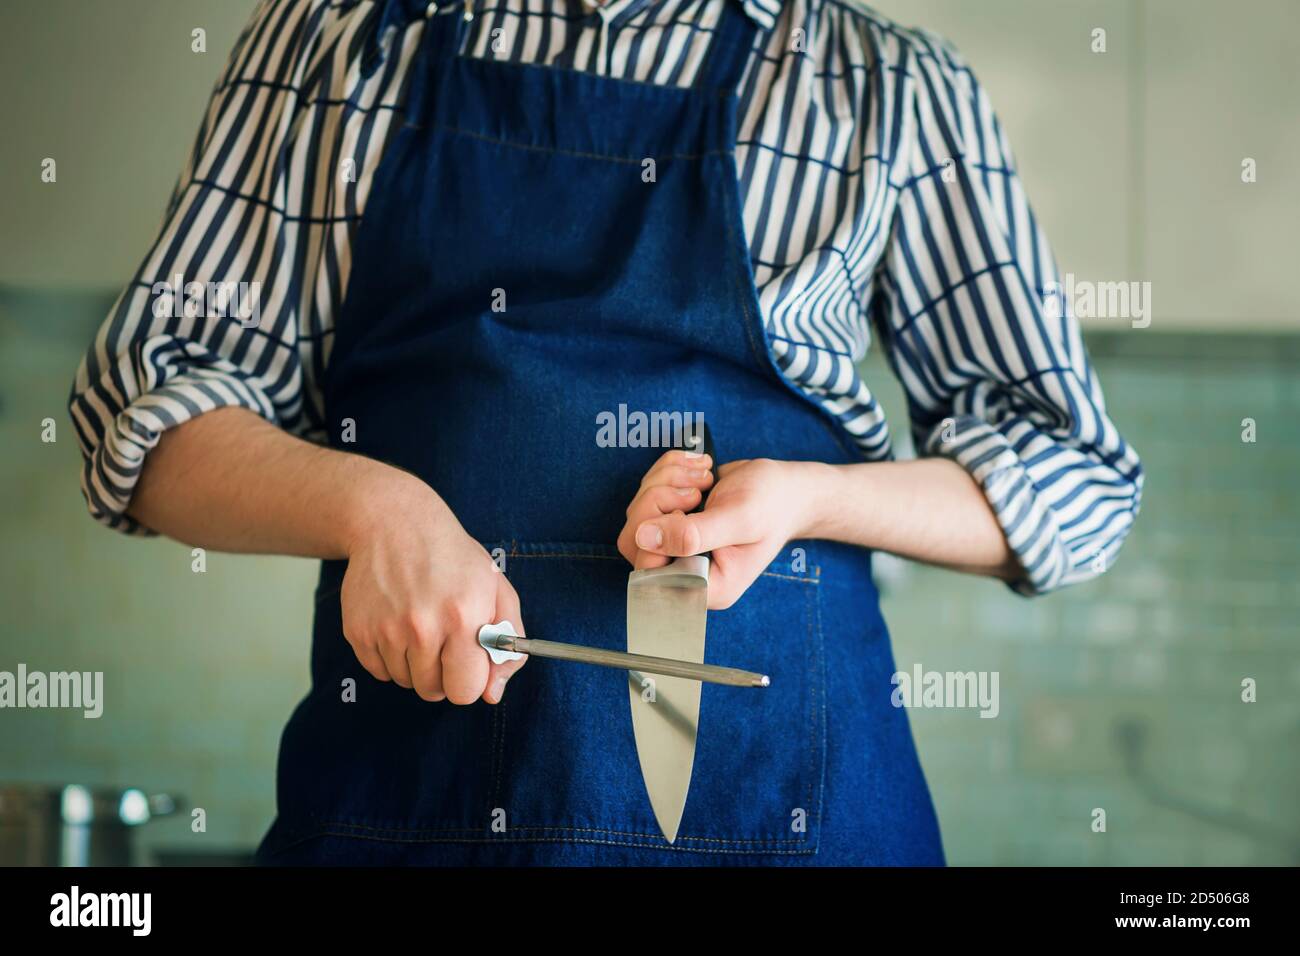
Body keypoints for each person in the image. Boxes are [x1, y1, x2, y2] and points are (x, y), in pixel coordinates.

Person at [68, 0, 1143, 865]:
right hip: (404, 814)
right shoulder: (332, 40)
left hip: (791, 821)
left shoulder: (888, 85)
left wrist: (815, 496)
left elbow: (1073, 471)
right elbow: (143, 415)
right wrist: (372, 506)